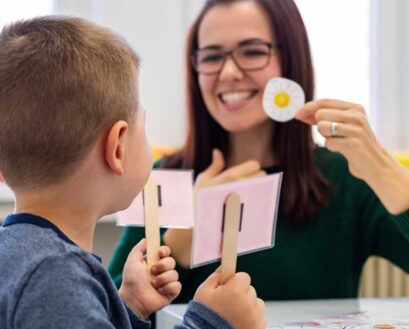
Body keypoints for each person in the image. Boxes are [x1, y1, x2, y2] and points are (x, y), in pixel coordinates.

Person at [0, 16, 266, 329]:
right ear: (118, 148)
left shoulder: (13, 248)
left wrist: (129, 307)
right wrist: (211, 323)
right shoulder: (56, 274)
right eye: (144, 125)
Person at [109, 0, 409, 302]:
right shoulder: (161, 178)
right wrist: (183, 239)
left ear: (292, 61)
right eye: (212, 57)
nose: (228, 72)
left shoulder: (344, 178)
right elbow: (109, 315)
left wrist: (382, 168)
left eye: (252, 52)